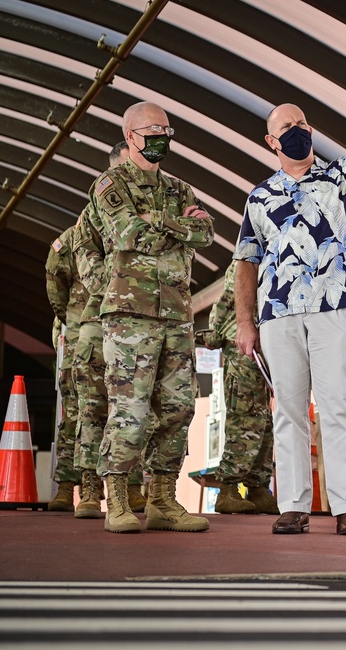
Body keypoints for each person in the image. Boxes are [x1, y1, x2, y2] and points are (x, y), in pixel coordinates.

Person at [235, 101, 346, 536]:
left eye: (303, 124)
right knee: (288, 410)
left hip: (336, 306)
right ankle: (293, 506)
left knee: (340, 407)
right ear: (272, 142)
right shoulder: (259, 197)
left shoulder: (337, 177)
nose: (298, 131)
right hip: (279, 313)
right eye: (287, 127)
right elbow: (246, 263)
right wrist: (245, 321)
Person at [89, 101, 214, 533]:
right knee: (131, 410)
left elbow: (207, 232)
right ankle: (117, 500)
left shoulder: (181, 188)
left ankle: (162, 499)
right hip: (130, 318)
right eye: (152, 130)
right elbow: (127, 233)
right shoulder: (109, 184)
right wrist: (177, 225)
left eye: (166, 129)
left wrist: (158, 222)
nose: (161, 136)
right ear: (130, 138)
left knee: (178, 408)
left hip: (177, 314)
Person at [70, 140, 146, 520]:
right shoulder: (90, 216)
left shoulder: (156, 203)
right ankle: (89, 490)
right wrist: (127, 283)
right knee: (95, 407)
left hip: (143, 321)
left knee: (136, 407)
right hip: (100, 321)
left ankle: (133, 489)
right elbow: (89, 267)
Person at [195, 259, 278, 515]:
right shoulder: (248, 257)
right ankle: (228, 489)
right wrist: (216, 331)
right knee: (245, 419)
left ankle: (258, 487)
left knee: (265, 423)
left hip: (270, 346)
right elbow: (228, 298)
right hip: (245, 346)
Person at [45, 229, 84, 511]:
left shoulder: (127, 228)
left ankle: (130, 489)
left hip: (120, 336)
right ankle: (67, 487)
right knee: (73, 413)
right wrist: (72, 320)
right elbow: (55, 282)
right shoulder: (73, 237)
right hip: (79, 335)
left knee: (125, 415)